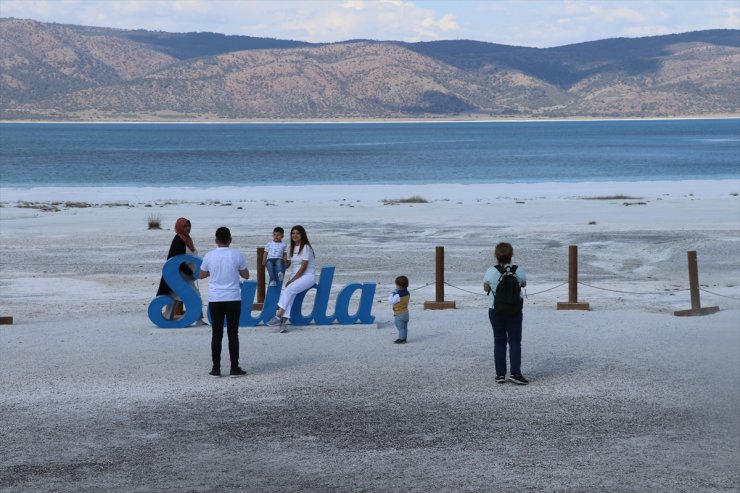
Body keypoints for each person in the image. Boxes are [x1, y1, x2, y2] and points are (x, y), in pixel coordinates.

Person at [198, 227, 250, 377]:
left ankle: (216, 368)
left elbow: (202, 274)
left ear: (216, 240)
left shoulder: (209, 256)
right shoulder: (236, 255)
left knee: (216, 334)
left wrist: (210, 272)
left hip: (215, 299)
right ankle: (234, 367)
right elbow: (246, 275)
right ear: (230, 240)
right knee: (233, 333)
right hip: (233, 298)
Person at [483, 242, 528, 385]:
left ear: (496, 255)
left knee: (499, 341)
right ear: (511, 255)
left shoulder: (490, 271)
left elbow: (485, 288)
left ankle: (500, 374)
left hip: (495, 309)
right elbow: (524, 284)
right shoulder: (518, 270)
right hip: (514, 310)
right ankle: (516, 373)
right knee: (515, 341)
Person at [155, 217, 206, 324]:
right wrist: (190, 273)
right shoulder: (179, 240)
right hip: (180, 275)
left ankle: (167, 317)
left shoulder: (187, 239)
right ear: (179, 227)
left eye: (189, 226)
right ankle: (198, 319)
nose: (188, 228)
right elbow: (177, 261)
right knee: (194, 295)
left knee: (174, 295)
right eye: (185, 226)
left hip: (186, 275)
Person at [266, 225, 316, 333]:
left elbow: (303, 268)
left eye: (297, 233)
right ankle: (283, 324)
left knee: (289, 290)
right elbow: (288, 264)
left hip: (308, 276)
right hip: (296, 276)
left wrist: (292, 281)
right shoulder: (290, 248)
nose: (295, 235)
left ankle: (278, 315)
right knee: (290, 294)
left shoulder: (306, 247)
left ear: (302, 234)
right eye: (293, 233)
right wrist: (278, 259)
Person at [388, 275, 410, 344]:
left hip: (399, 314)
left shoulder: (398, 295)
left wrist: (392, 294)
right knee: (404, 327)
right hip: (406, 312)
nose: (396, 287)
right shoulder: (407, 293)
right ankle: (404, 337)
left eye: (396, 285)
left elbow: (391, 301)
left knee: (400, 327)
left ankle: (402, 339)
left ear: (400, 286)